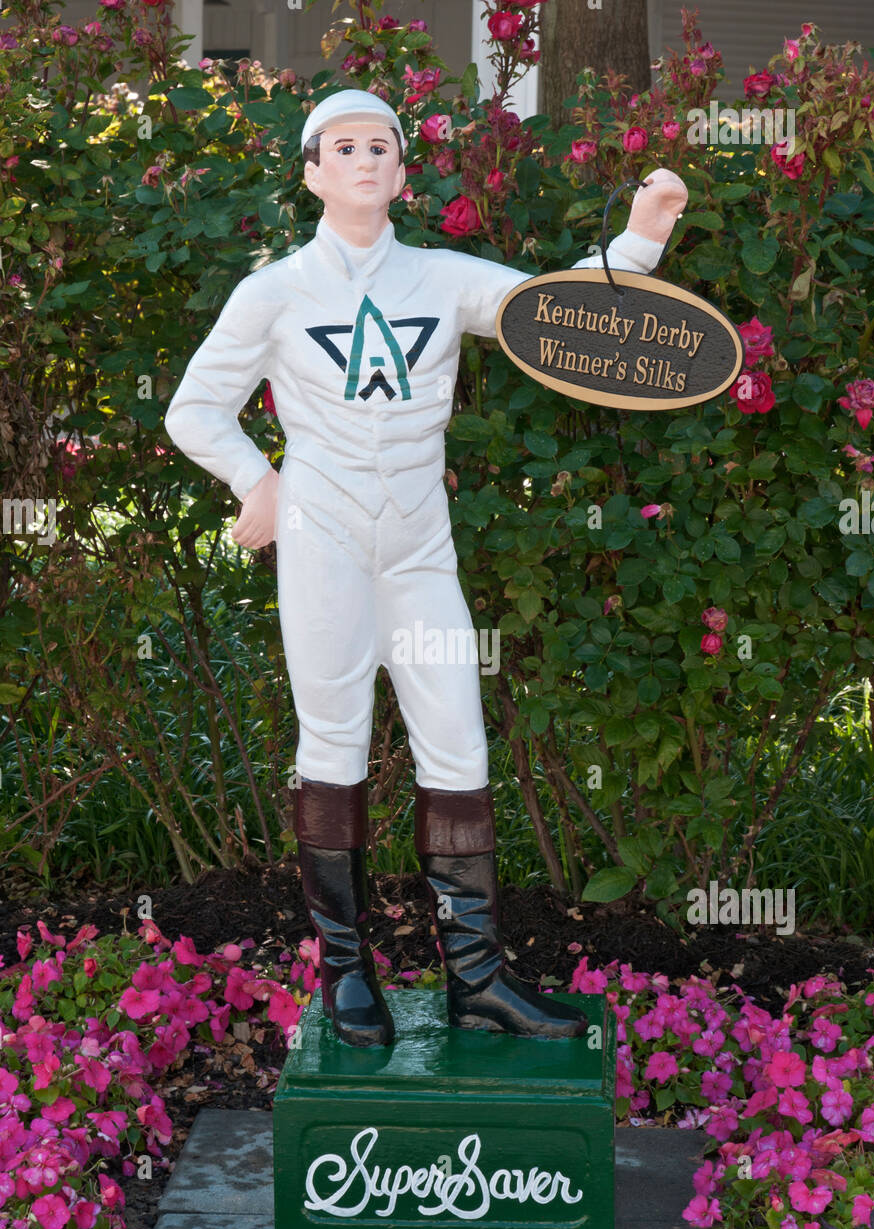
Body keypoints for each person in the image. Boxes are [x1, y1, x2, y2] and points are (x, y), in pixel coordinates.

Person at [164, 89, 688, 1047]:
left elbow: (558, 316)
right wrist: (256, 482)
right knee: (331, 742)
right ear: (313, 169)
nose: (366, 160)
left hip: (418, 543)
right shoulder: (274, 291)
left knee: (458, 743)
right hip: (323, 536)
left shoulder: (444, 278)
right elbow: (194, 411)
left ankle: (477, 979)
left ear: (405, 172)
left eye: (383, 147)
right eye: (345, 147)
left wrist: (641, 239)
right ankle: (342, 972)